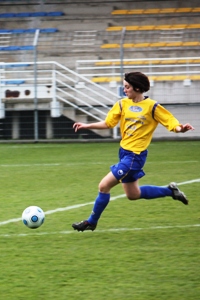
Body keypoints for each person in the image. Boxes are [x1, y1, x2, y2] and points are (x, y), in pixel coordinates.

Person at [71, 71, 195, 232]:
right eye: (124, 86)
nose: (125, 90)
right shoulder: (122, 104)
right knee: (133, 194)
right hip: (124, 153)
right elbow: (109, 123)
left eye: (127, 87)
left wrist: (180, 128)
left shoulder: (152, 107)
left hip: (134, 157)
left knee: (103, 186)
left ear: (137, 88)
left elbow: (170, 122)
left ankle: (91, 222)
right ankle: (170, 191)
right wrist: (86, 126)